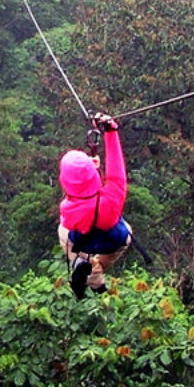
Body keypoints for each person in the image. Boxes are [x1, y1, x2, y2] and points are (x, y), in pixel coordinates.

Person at [57, 113, 132, 298]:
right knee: (126, 232)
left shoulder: (67, 208)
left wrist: (90, 170)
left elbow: (76, 191)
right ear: (93, 177)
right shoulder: (112, 199)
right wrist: (111, 131)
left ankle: (83, 267)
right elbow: (116, 171)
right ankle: (96, 277)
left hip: (84, 242)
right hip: (113, 242)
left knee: (62, 231)